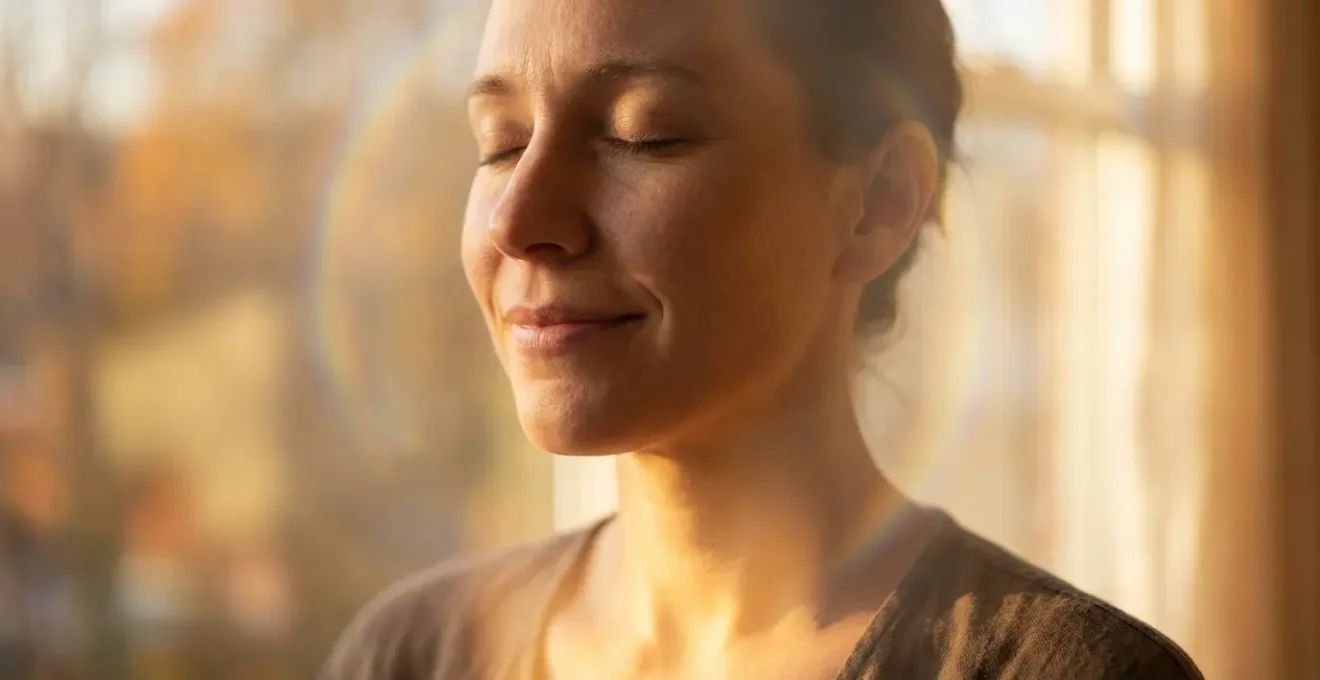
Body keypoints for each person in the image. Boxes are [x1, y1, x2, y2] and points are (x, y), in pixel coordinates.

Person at [321, 0, 1204, 677]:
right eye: (501, 143)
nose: (518, 219)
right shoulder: (412, 655)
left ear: (880, 201)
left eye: (643, 133)